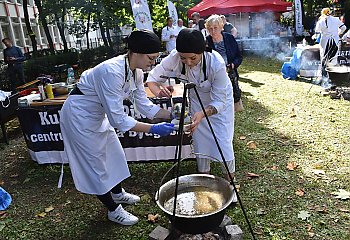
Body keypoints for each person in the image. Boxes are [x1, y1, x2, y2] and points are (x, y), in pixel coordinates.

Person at [60, 30, 175, 226]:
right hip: (78, 117)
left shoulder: (136, 72)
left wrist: (171, 115)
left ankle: (118, 194)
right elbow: (119, 121)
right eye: (151, 58)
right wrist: (152, 129)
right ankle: (113, 210)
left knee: (113, 155)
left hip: (97, 115)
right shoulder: (110, 71)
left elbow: (143, 104)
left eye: (156, 58)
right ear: (136, 52)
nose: (153, 63)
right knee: (95, 166)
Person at [147, 28, 235, 182]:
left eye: (193, 58)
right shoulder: (175, 57)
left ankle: (230, 182)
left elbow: (220, 101)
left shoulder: (216, 63)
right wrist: (158, 92)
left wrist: (202, 114)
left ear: (202, 51)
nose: (188, 62)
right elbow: (152, 79)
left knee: (223, 143)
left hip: (219, 103)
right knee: (200, 143)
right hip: (196, 101)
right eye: (183, 58)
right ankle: (204, 179)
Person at [206, 15, 243, 112]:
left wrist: (233, 65)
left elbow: (239, 56)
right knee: (218, 98)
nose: (213, 31)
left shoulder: (229, 38)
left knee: (233, 97)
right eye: (210, 29)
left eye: (215, 28)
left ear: (221, 27)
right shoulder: (207, 41)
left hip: (230, 73)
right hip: (214, 75)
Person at [315, 8, 346, 78]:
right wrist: (338, 34)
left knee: (324, 58)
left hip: (325, 42)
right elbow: (344, 28)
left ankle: (324, 77)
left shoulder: (320, 22)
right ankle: (333, 77)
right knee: (333, 59)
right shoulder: (336, 19)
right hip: (335, 41)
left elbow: (317, 32)